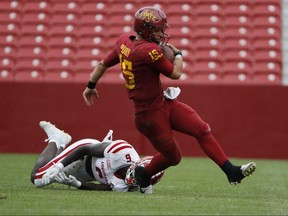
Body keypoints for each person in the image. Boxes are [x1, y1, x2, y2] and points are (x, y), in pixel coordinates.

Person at [82, 6, 256, 194]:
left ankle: (231, 171)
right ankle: (143, 172)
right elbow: (175, 73)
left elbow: (102, 64)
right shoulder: (148, 51)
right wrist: (179, 55)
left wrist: (90, 86)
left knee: (201, 129)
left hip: (163, 104)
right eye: (157, 29)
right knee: (173, 157)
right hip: (149, 116)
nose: (161, 33)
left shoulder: (124, 41)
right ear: (145, 29)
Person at [30, 121, 164, 193]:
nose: (136, 180)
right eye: (139, 175)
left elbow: (99, 188)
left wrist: (77, 184)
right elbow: (85, 149)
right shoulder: (122, 152)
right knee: (36, 178)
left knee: (45, 178)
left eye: (142, 181)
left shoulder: (129, 187)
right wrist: (60, 166)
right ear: (137, 164)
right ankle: (56, 139)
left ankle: (61, 143)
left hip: (87, 175)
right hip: (83, 156)